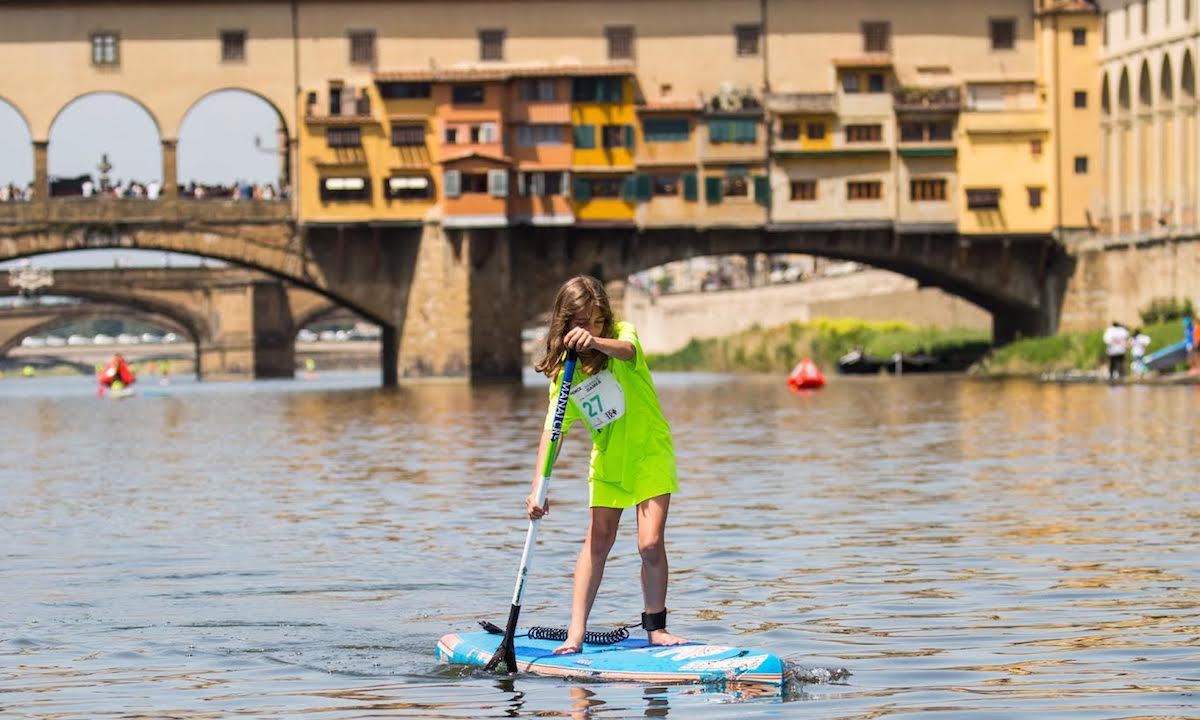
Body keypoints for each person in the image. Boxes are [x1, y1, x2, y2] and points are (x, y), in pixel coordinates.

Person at [527, 275, 687, 655]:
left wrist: (597, 341)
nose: (589, 328)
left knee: (649, 543)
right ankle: (576, 635)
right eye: (580, 322)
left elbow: (627, 350)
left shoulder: (622, 335)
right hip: (609, 461)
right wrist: (539, 485)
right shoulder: (564, 374)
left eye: (595, 320)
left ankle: (656, 628)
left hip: (650, 452)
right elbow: (553, 431)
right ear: (564, 323)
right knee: (597, 542)